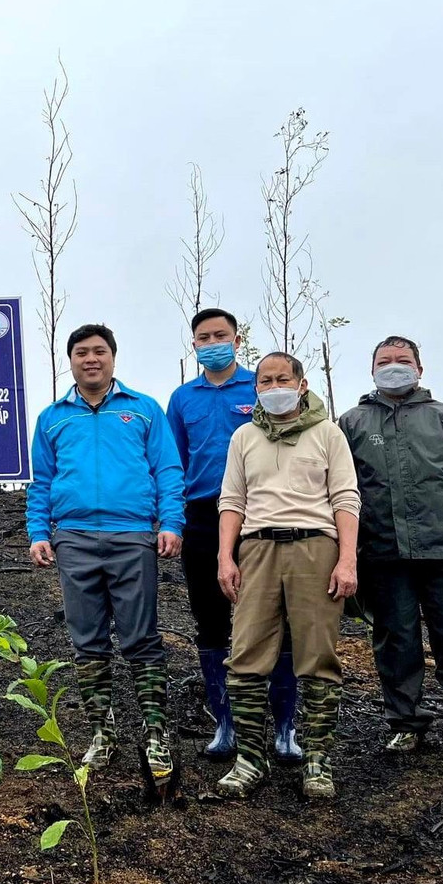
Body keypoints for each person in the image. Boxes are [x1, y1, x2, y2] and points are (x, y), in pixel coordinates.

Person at [27, 323, 186, 787]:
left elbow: (168, 469)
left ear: (113, 358)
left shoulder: (143, 411)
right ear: (70, 360)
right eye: (81, 352)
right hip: (73, 538)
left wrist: (171, 522)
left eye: (99, 351)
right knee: (87, 640)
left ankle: (155, 731)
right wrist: (40, 530)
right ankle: (102, 730)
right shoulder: (53, 418)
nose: (90, 358)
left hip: (133, 535)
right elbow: (42, 481)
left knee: (141, 638)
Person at [338, 336, 443, 759]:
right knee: (396, 640)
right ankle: (405, 723)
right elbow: (340, 489)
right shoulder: (351, 423)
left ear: (420, 368)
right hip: (382, 553)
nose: (393, 366)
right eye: (384, 361)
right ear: (371, 368)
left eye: (402, 360)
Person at [215, 353, 359, 799]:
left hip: (316, 546)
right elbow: (231, 500)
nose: (273, 386)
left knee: (317, 656)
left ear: (301, 384)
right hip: (256, 548)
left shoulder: (328, 433)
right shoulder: (244, 436)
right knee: (245, 654)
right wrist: (226, 556)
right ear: (255, 387)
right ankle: (250, 760)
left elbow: (346, 498)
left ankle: (317, 761)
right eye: (264, 380)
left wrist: (347, 559)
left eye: (282, 379)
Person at [165, 308, 302, 764]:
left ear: (237, 339)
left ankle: (284, 725)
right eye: (203, 337)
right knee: (210, 615)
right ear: (194, 345)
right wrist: (172, 518)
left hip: (263, 513)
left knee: (275, 616)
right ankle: (226, 722)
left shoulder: (263, 388)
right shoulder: (182, 398)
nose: (212, 342)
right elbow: (174, 462)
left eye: (220, 334)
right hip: (203, 514)